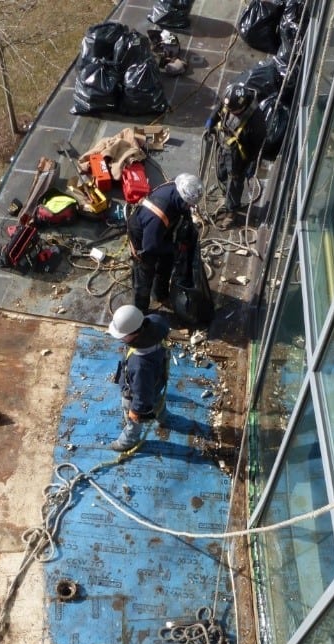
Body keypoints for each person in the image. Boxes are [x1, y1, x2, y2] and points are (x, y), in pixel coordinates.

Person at [126, 173, 204, 312]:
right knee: (144, 276)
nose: (189, 208)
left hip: (162, 230)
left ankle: (160, 295)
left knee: (166, 264)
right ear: (182, 199)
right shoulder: (157, 215)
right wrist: (175, 247)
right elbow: (150, 246)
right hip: (144, 240)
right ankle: (139, 311)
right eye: (188, 205)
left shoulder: (176, 189)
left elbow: (183, 213)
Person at [107, 304, 170, 452]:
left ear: (133, 334)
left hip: (136, 394)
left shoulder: (140, 365)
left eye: (123, 336)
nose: (121, 338)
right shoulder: (154, 323)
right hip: (156, 382)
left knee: (133, 422)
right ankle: (164, 417)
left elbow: (141, 393)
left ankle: (128, 440)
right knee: (156, 399)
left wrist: (136, 410)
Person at [204, 82, 268, 228]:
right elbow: (220, 107)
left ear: (242, 106)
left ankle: (231, 212)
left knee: (234, 182)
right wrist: (211, 121)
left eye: (234, 111)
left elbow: (258, 146)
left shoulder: (256, 121)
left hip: (238, 156)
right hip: (224, 146)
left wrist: (252, 164)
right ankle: (226, 196)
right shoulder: (231, 98)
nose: (230, 112)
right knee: (221, 174)